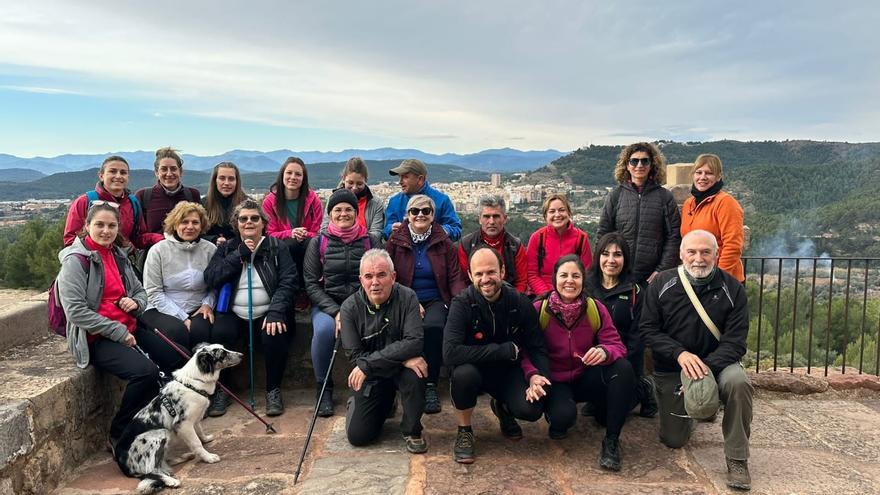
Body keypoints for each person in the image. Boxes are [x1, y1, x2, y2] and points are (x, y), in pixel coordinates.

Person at [641, 230, 753, 491]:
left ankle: (737, 457)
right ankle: (700, 406)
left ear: (716, 254)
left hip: (718, 365)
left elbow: (736, 342)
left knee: (739, 383)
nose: (698, 258)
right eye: (691, 252)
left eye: (705, 252)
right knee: (673, 439)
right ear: (681, 255)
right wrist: (679, 353)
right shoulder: (661, 285)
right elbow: (648, 329)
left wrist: (706, 368)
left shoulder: (733, 289)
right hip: (672, 367)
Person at [57, 202, 166, 449]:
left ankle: (153, 419)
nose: (106, 231)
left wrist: (136, 302)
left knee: (174, 356)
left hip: (129, 326)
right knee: (145, 372)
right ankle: (120, 432)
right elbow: (75, 311)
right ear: (86, 226)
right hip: (96, 337)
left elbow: (140, 290)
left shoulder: (118, 255)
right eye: (100, 225)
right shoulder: (76, 262)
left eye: (112, 225)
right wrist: (117, 331)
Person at [525, 254, 633, 471]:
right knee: (562, 420)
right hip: (555, 380)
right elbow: (526, 351)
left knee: (623, 369)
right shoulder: (539, 310)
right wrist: (532, 374)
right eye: (564, 275)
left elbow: (617, 345)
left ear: (584, 280)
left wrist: (604, 351)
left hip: (586, 375)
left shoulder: (595, 308)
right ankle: (558, 412)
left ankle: (611, 440)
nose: (569, 281)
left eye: (576, 276)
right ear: (555, 279)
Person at [443, 247, 550, 464]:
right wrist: (501, 350)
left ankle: (503, 407)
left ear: (502, 272)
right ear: (470, 276)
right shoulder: (462, 304)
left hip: (507, 371)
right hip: (474, 370)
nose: (485, 279)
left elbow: (537, 346)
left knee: (531, 409)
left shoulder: (519, 303)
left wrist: (538, 377)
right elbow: (450, 352)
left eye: (491, 272)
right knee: (463, 375)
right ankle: (464, 430)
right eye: (479, 274)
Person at [139, 201, 235, 416]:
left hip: (199, 305)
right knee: (178, 332)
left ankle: (209, 391)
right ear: (175, 223)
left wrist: (207, 304)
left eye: (195, 222)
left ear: (202, 226)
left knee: (202, 332)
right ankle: (179, 391)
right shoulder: (158, 251)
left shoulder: (209, 250)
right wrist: (182, 317)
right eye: (184, 222)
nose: (189, 226)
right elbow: (153, 291)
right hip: (162, 307)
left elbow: (214, 284)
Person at [204, 199, 298, 416]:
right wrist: (238, 256)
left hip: (268, 310)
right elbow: (210, 277)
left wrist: (276, 310)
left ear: (263, 223)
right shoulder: (228, 248)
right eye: (243, 219)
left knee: (275, 334)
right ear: (236, 224)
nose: (249, 222)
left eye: (254, 218)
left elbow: (289, 280)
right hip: (233, 311)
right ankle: (223, 389)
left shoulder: (276, 247)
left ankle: (273, 389)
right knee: (220, 334)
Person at [338, 249, 428, 454]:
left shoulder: (408, 297)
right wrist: (401, 359)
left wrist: (376, 363)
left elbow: (414, 342)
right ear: (361, 280)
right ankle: (383, 401)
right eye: (368, 277)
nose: (375, 282)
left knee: (417, 370)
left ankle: (412, 430)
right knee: (358, 436)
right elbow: (355, 357)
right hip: (372, 374)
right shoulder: (349, 308)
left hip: (385, 369)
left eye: (381, 275)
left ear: (393, 277)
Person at [385, 194, 468, 414]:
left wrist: (460, 303)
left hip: (435, 298)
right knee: (396, 328)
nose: (420, 215)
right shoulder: (395, 241)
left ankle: (430, 382)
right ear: (407, 216)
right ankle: (395, 384)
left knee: (433, 327)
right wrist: (408, 300)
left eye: (426, 211)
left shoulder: (444, 243)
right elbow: (387, 275)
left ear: (433, 216)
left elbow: (454, 277)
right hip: (403, 298)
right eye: (415, 211)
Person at [303, 189, 381, 417]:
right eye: (338, 209)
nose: (343, 213)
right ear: (330, 214)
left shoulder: (371, 241)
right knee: (325, 332)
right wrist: (337, 311)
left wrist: (353, 309)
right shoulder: (318, 242)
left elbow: (381, 277)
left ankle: (375, 383)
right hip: (328, 303)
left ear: (357, 213)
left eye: (349, 209)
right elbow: (311, 283)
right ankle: (323, 387)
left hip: (363, 303)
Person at [584, 232, 658, 418]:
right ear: (598, 256)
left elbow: (637, 340)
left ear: (625, 259)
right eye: (605, 254)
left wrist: (626, 372)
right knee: (597, 408)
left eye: (617, 254)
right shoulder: (586, 288)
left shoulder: (636, 292)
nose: (611, 260)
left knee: (605, 417)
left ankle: (642, 388)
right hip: (592, 359)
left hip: (623, 361)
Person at [597, 142, 681, 285]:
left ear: (652, 165)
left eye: (645, 161)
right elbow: (604, 234)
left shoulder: (664, 197)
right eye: (634, 161)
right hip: (620, 273)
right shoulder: (616, 196)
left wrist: (661, 270)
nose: (639, 165)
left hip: (652, 277)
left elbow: (673, 237)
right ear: (627, 165)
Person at [63, 156, 163, 249]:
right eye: (112, 171)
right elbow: (70, 239)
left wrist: (161, 239)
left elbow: (138, 238)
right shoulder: (84, 202)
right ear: (101, 176)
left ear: (128, 177)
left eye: (123, 173)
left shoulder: (133, 203)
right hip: (92, 263)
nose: (118, 176)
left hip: (121, 263)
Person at [262, 157, 323, 305]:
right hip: (281, 246)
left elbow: (317, 229)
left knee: (312, 243)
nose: (293, 178)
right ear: (282, 175)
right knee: (291, 244)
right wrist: (290, 233)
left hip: (308, 242)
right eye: (289, 173)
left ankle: (308, 289)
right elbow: (269, 233)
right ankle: (292, 289)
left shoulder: (312, 199)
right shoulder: (270, 201)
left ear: (303, 178)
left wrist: (303, 234)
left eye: (298, 174)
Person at [680, 154, 745, 282]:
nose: (702, 177)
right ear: (693, 175)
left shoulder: (725, 203)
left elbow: (733, 245)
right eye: (699, 172)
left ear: (718, 176)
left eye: (709, 173)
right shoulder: (689, 204)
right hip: (695, 277)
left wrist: (718, 277)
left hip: (723, 279)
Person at [457, 195, 528, 293]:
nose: (491, 222)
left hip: (510, 298)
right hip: (475, 299)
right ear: (479, 219)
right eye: (486, 216)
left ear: (505, 218)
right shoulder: (466, 245)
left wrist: (513, 301)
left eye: (496, 216)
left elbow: (521, 281)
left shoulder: (515, 246)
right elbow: (463, 280)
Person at [526, 193, 592, 295]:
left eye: (561, 210)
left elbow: (586, 273)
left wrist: (570, 296)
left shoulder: (581, 238)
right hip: (542, 295)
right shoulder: (537, 238)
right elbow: (532, 274)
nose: (557, 215)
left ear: (569, 213)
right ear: (545, 216)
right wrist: (548, 296)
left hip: (572, 293)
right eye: (552, 211)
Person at [383, 158, 462, 241]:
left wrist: (438, 231)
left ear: (420, 179)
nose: (400, 182)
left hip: (434, 252)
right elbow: (385, 232)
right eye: (400, 177)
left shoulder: (442, 200)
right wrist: (391, 229)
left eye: (405, 177)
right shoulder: (394, 201)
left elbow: (456, 229)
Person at [134, 147, 201, 234]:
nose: (169, 174)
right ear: (157, 173)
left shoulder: (192, 195)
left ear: (180, 172)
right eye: (164, 169)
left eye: (173, 169)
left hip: (188, 247)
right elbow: (137, 233)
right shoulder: (143, 196)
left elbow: (200, 228)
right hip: (154, 247)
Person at [320, 157, 385, 239]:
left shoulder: (376, 203)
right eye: (350, 183)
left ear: (366, 181)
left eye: (359, 184)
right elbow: (325, 228)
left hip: (366, 247)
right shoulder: (333, 200)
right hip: (335, 247)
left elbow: (376, 232)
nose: (354, 188)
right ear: (343, 179)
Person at [202, 161, 248, 245]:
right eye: (222, 178)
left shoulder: (247, 204)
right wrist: (213, 239)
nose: (226, 183)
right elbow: (196, 233)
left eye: (231, 179)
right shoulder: (203, 204)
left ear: (237, 181)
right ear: (215, 181)